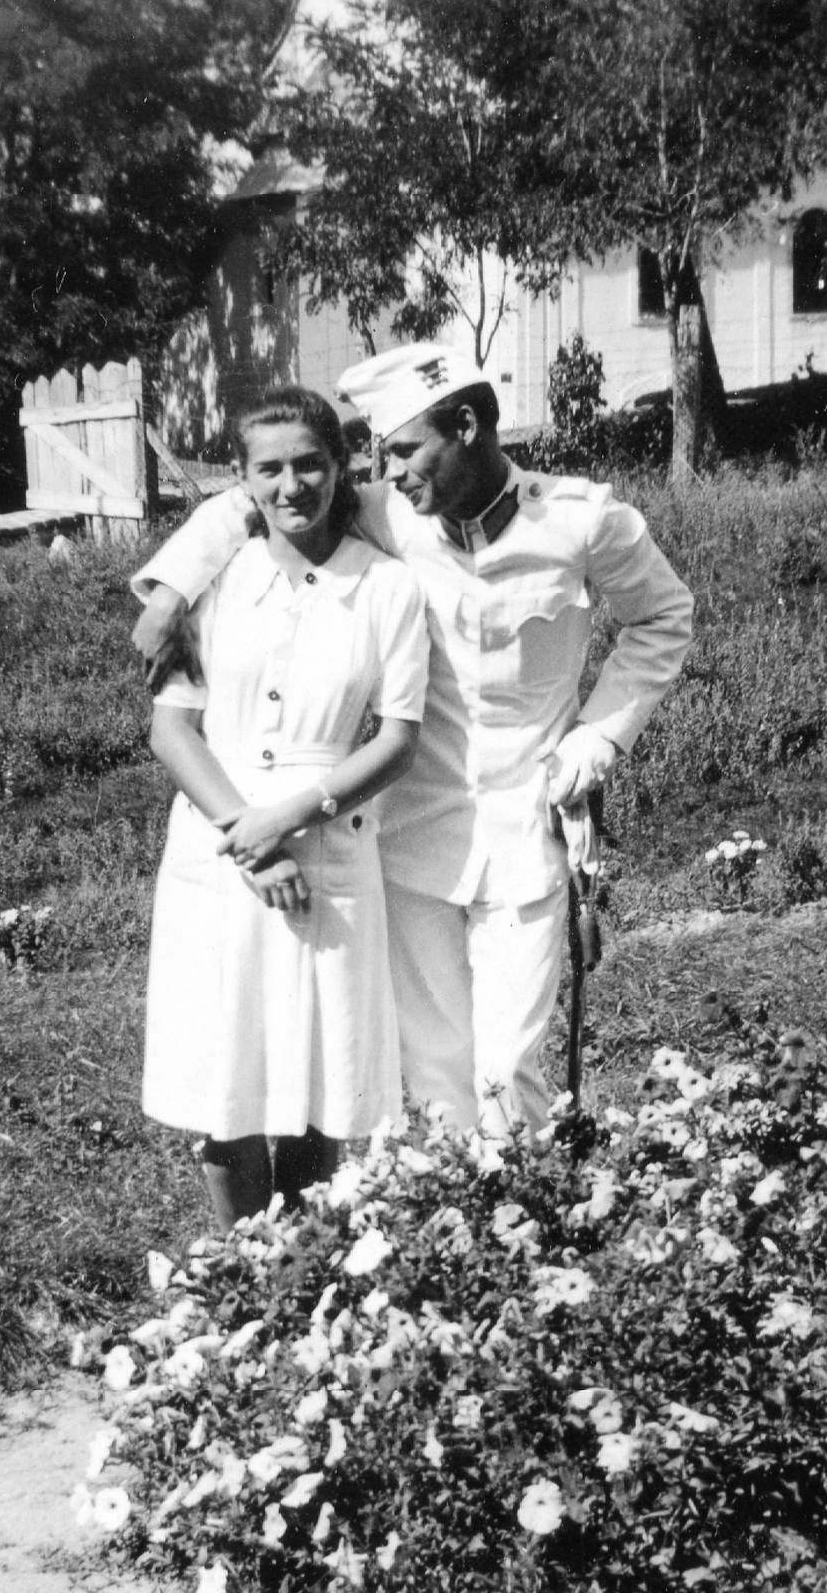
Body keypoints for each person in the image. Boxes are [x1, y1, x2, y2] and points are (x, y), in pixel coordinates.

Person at [133, 343, 693, 1139]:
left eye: (401, 449)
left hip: (528, 827)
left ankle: (526, 1225)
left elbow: (663, 618)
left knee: (509, 1062)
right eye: (380, 455)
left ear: (464, 426)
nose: (387, 470)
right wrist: (170, 589)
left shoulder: (578, 519)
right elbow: (249, 500)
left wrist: (594, 742)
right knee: (434, 1065)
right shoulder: (391, 512)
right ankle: (460, 1229)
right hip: (412, 827)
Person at [142, 385, 428, 1233]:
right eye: (269, 468)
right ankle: (242, 1278)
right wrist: (248, 839)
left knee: (317, 1086)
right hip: (217, 846)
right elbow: (171, 730)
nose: (291, 485)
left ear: (343, 468)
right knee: (225, 1090)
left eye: (310, 463)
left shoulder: (387, 589)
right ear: (241, 479)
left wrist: (292, 820)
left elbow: (397, 739)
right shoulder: (210, 583)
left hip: (329, 849)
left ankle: (304, 1283)